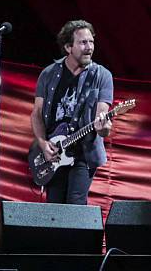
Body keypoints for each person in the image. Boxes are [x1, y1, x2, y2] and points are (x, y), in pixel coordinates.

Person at [31, 20, 113, 204]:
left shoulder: (102, 76)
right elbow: (36, 113)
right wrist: (43, 144)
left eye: (91, 42)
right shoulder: (48, 74)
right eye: (83, 42)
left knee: (75, 206)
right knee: (55, 206)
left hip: (84, 152)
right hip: (55, 152)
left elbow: (102, 115)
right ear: (68, 47)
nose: (89, 47)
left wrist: (104, 128)